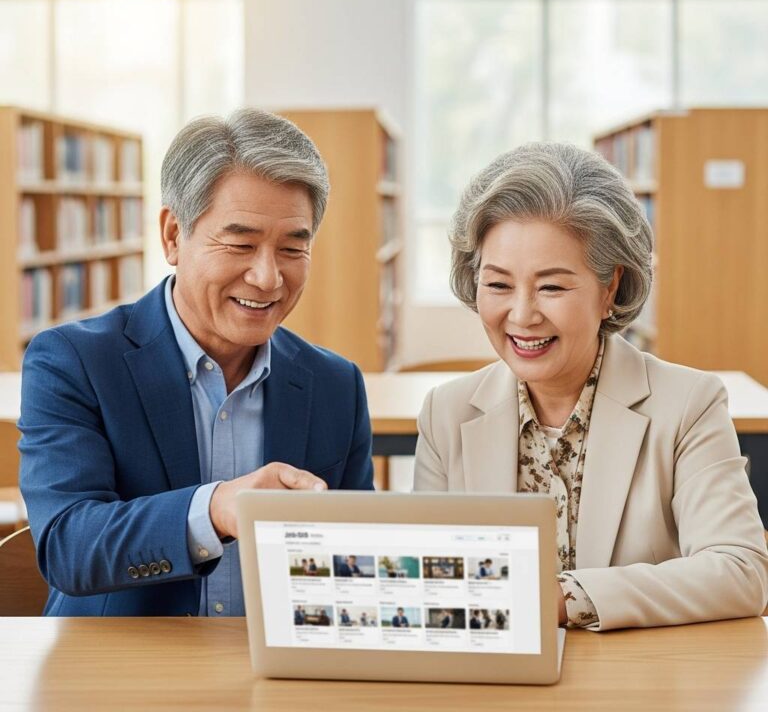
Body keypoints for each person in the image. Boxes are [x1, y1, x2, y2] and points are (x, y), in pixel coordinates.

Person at [19, 109, 375, 617]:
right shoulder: (75, 362)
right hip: (119, 677)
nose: (268, 277)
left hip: (275, 675)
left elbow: (353, 566)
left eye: (293, 248)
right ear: (172, 236)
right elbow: (68, 546)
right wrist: (214, 510)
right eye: (240, 244)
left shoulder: (335, 384)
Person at [414, 142, 768, 631]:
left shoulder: (688, 405)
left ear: (610, 289)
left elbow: (741, 571)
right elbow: (432, 581)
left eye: (552, 287)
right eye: (497, 285)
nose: (521, 315)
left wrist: (566, 598)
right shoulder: (446, 413)